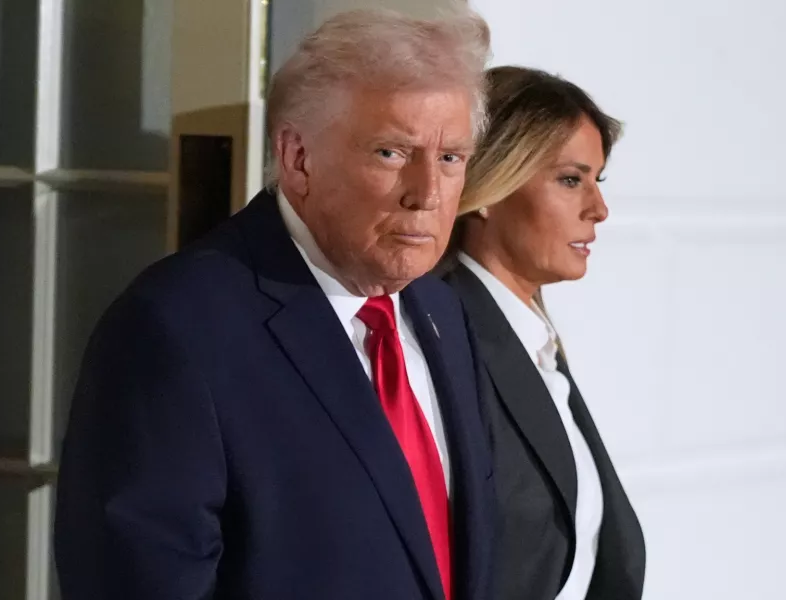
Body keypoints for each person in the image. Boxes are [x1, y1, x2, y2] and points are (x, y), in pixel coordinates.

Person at [54, 9, 494, 600]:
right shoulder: (177, 327)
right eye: (392, 152)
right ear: (297, 158)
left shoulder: (443, 310)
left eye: (450, 157)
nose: (428, 194)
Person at [441, 67, 646, 600]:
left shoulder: (531, 340)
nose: (599, 210)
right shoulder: (442, 342)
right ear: (489, 187)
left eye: (597, 181)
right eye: (571, 180)